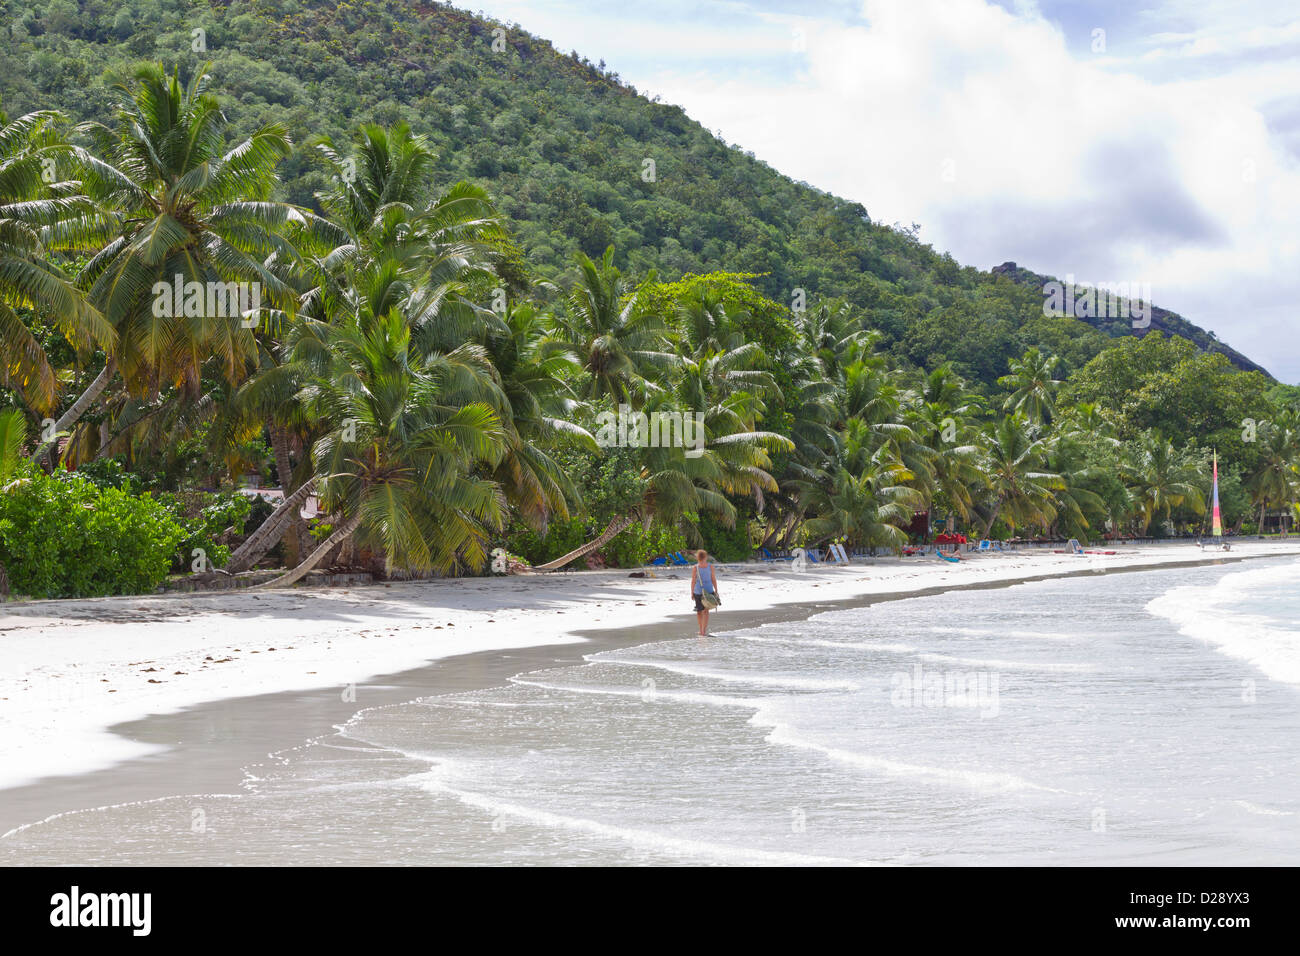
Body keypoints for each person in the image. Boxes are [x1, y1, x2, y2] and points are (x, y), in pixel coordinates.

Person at [690, 549, 720, 636]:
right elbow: (713, 579)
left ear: (697, 558)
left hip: (698, 591)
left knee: (699, 611)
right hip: (709, 590)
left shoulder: (695, 567)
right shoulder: (710, 567)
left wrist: (692, 592)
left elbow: (693, 581)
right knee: (706, 611)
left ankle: (701, 631)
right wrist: (716, 590)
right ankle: (704, 630)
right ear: (705, 557)